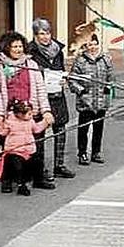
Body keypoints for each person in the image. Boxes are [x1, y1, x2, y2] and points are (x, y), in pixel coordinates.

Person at [0, 31, 55, 190]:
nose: (18, 49)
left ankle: (37, 178)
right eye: (14, 46)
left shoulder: (31, 65)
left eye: (20, 46)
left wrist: (46, 111)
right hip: (10, 114)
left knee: (36, 148)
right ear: (6, 48)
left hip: (30, 112)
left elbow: (40, 89)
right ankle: (8, 181)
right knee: (11, 151)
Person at [28, 18, 76, 179]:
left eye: (47, 33)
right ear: (35, 35)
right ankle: (39, 168)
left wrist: (64, 79)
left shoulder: (58, 50)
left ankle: (59, 165)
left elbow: (61, 69)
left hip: (57, 95)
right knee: (39, 133)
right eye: (42, 33)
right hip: (40, 97)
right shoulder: (30, 52)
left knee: (60, 129)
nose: (46, 37)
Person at [68, 34, 114, 165]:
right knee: (83, 128)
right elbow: (72, 79)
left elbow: (111, 77)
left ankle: (96, 152)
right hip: (85, 102)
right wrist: (81, 90)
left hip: (101, 101)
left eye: (95, 44)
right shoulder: (80, 60)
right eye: (90, 44)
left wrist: (108, 88)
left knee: (98, 128)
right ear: (85, 46)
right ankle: (82, 153)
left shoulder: (106, 59)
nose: (93, 47)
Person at [0, 100, 51, 196]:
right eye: (28, 113)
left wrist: (45, 123)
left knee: (38, 162)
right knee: (17, 167)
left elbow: (37, 129)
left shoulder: (30, 121)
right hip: (15, 150)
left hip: (29, 149)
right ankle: (19, 184)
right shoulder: (10, 121)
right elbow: (3, 132)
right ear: (19, 114)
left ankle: (38, 180)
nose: (31, 115)